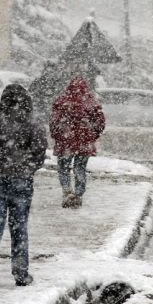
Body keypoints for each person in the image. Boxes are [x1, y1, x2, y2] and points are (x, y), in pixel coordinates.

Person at [0, 84, 47, 289]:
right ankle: (20, 271)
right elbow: (39, 151)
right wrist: (27, 167)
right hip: (20, 180)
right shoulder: (32, 123)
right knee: (19, 228)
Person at [49, 76, 105, 208]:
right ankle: (78, 194)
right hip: (84, 142)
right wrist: (92, 136)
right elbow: (100, 123)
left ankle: (67, 190)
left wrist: (57, 136)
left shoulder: (61, 102)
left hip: (65, 141)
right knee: (80, 168)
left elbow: (54, 122)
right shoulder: (92, 103)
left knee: (63, 168)